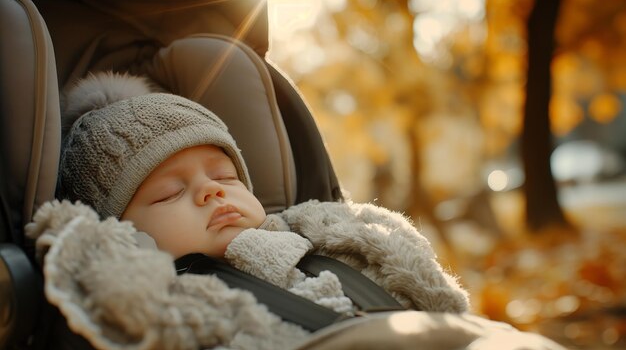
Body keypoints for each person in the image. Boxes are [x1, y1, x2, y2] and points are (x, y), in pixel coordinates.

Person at [25, 71, 563, 350]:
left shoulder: (323, 237)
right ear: (120, 228)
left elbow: (425, 286)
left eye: (225, 176)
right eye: (168, 193)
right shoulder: (153, 290)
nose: (212, 193)